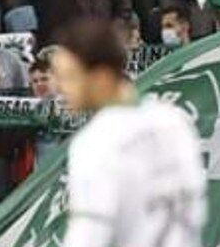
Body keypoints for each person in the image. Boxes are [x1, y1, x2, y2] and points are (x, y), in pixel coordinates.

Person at [52, 18, 206, 247]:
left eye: (69, 77)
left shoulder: (95, 142)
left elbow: (89, 236)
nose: (59, 87)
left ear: (101, 78)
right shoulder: (175, 121)